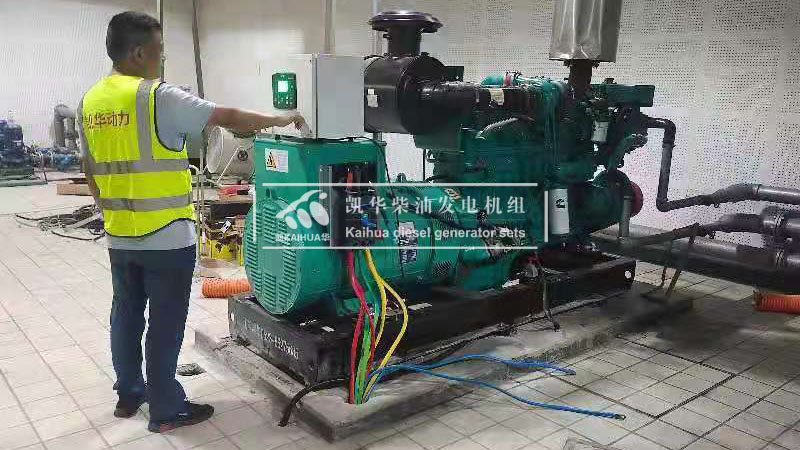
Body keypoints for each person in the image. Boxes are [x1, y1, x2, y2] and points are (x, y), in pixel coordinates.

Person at [79, 11, 304, 433]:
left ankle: (129, 393)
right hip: (166, 237)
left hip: (119, 235)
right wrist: (279, 120)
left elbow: (89, 168)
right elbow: (227, 116)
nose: (162, 58)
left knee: (125, 315)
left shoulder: (90, 102)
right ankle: (167, 407)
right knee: (165, 324)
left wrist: (109, 214)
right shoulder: (156, 96)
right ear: (139, 52)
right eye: (159, 50)